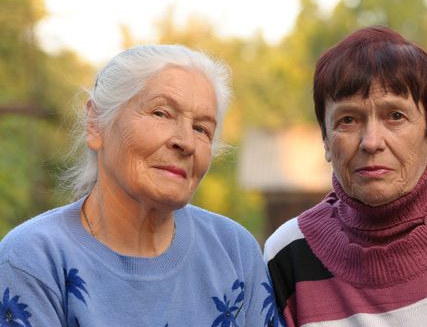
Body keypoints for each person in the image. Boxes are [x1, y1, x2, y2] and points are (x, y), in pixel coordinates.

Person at [0, 44, 283, 326]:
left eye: (201, 129)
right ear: (96, 124)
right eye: (161, 113)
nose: (185, 142)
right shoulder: (32, 259)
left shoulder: (233, 250)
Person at [264, 25, 427, 326]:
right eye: (348, 120)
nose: (371, 142)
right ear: (325, 137)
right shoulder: (289, 256)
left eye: (395, 116)